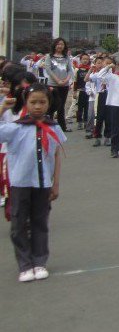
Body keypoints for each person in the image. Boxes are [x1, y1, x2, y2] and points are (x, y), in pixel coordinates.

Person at [0, 84, 65, 282]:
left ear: (49, 104)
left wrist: (55, 184)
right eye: (33, 102)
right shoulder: (15, 127)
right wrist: (3, 108)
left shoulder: (54, 127)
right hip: (20, 182)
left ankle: (39, 261)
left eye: (42, 102)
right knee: (19, 223)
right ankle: (25, 264)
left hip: (43, 183)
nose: (38, 106)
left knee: (40, 222)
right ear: (26, 103)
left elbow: (55, 155)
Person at [43, 38, 73, 132]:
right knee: (51, 105)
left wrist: (66, 80)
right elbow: (49, 70)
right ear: (55, 45)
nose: (60, 46)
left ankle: (62, 127)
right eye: (58, 44)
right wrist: (58, 81)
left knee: (61, 106)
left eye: (62, 44)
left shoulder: (66, 57)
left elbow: (70, 70)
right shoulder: (49, 56)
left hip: (64, 85)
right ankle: (49, 125)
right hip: (53, 84)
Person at [73, 53, 91, 131]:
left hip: (88, 92)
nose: (85, 60)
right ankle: (79, 122)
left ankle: (86, 122)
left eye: (87, 59)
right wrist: (74, 91)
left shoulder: (90, 69)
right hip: (80, 91)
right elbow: (75, 81)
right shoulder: (77, 69)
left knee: (87, 108)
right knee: (80, 108)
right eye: (84, 59)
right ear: (80, 60)